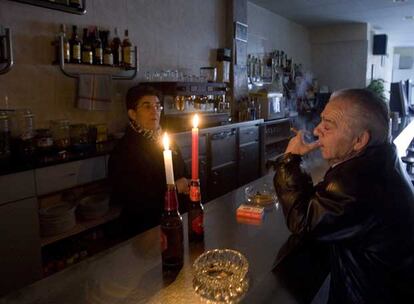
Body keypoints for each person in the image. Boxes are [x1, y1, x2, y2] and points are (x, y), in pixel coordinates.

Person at [272, 88, 414, 303]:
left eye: (328, 126)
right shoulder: (381, 159)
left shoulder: (359, 183)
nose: (318, 130)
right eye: (321, 121)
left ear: (359, 141)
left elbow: (303, 221)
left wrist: (289, 160)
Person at [108, 84, 189, 237]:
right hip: (145, 228)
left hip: (176, 218)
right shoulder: (124, 151)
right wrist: (174, 189)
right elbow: (133, 198)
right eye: (147, 107)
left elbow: (184, 171)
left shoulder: (166, 140)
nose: (155, 111)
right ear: (132, 114)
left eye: (158, 106)